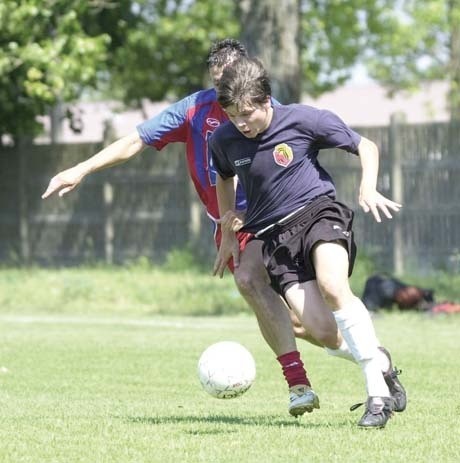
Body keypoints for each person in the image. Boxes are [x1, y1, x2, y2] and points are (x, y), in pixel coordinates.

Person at [41, 38, 345, 417]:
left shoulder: (267, 111)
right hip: (230, 222)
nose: (225, 95)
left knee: (257, 285)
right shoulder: (194, 110)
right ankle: (365, 359)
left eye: (230, 83)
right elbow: (136, 140)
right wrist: (81, 168)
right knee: (301, 325)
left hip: (276, 219)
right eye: (218, 85)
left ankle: (311, 378)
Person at [210, 56, 406, 428]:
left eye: (248, 113)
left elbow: (366, 146)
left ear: (267, 101)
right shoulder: (224, 139)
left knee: (334, 286)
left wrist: (368, 185)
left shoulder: (304, 119)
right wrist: (228, 228)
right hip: (274, 239)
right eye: (234, 115)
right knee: (324, 333)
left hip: (319, 214)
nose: (242, 123)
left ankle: (376, 397)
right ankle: (381, 363)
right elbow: (223, 177)